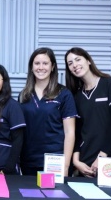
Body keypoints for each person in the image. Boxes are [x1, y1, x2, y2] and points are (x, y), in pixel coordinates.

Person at [64, 47, 111, 182]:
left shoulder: (109, 84)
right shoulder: (76, 96)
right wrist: (76, 161)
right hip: (88, 162)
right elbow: (77, 132)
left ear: (88, 60)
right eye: (70, 63)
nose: (75, 65)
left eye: (78, 59)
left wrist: (102, 156)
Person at [19, 47, 77, 176]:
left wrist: (66, 165)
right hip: (28, 160)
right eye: (37, 63)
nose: (41, 67)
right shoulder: (24, 95)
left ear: (52, 67)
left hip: (54, 161)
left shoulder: (64, 94)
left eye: (45, 63)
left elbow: (70, 132)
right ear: (31, 67)